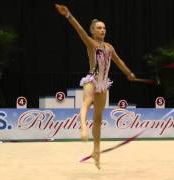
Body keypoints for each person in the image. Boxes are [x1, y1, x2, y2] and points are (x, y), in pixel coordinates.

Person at [55, 3, 136, 169]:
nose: (102, 30)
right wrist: (68, 15)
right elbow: (80, 31)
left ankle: (96, 150)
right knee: (87, 101)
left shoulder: (109, 48)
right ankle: (83, 128)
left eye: (104, 28)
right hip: (92, 79)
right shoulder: (91, 44)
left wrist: (129, 73)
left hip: (103, 84)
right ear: (93, 31)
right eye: (99, 28)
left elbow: (119, 62)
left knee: (98, 119)